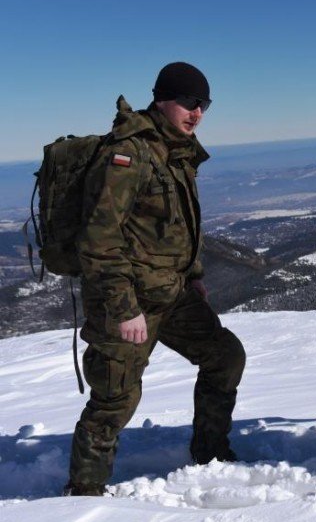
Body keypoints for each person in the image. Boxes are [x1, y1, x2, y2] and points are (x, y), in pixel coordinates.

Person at [64, 62, 246, 496]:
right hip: (130, 300)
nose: (197, 112)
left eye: (204, 104)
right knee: (115, 399)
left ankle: (210, 452)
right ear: (162, 98)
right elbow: (99, 240)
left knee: (225, 357)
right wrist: (124, 308)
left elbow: (179, 224)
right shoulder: (128, 154)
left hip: (173, 292)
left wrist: (195, 275)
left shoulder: (175, 151)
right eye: (188, 102)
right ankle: (83, 492)